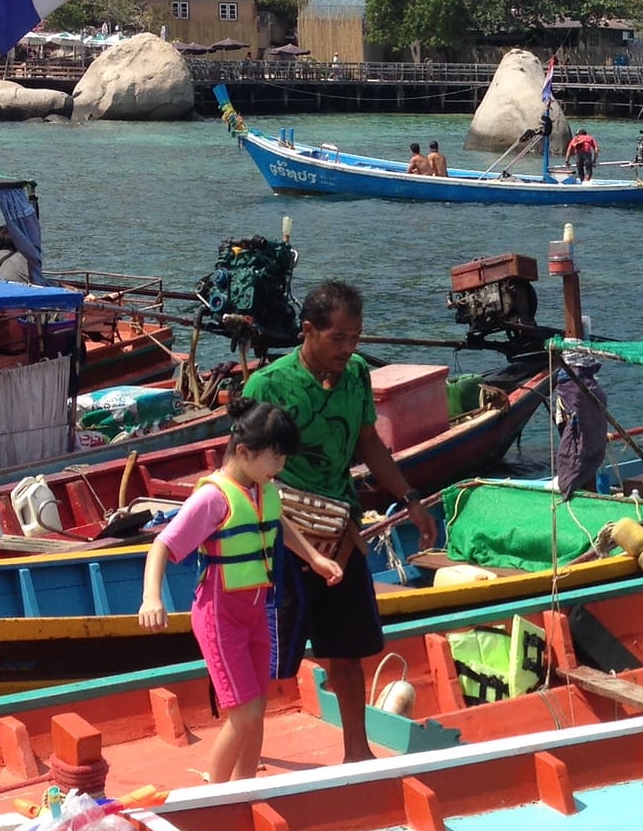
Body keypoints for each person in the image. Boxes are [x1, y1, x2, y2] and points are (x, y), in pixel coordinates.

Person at [242, 280, 439, 762]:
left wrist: (408, 496)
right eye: (339, 339)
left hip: (340, 531)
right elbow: (241, 464)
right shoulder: (268, 385)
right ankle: (247, 753)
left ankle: (357, 750)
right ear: (308, 331)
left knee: (346, 648)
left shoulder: (353, 377)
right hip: (281, 535)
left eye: (355, 339)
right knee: (267, 654)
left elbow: (368, 442)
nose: (349, 349)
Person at [138, 400, 345, 782]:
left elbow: (277, 524)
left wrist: (314, 557)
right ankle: (215, 795)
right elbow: (162, 546)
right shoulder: (212, 497)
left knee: (258, 707)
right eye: (275, 460)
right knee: (244, 713)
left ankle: (244, 787)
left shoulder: (262, 489)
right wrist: (152, 597)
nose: (280, 468)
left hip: (258, 611)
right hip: (222, 615)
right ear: (246, 453)